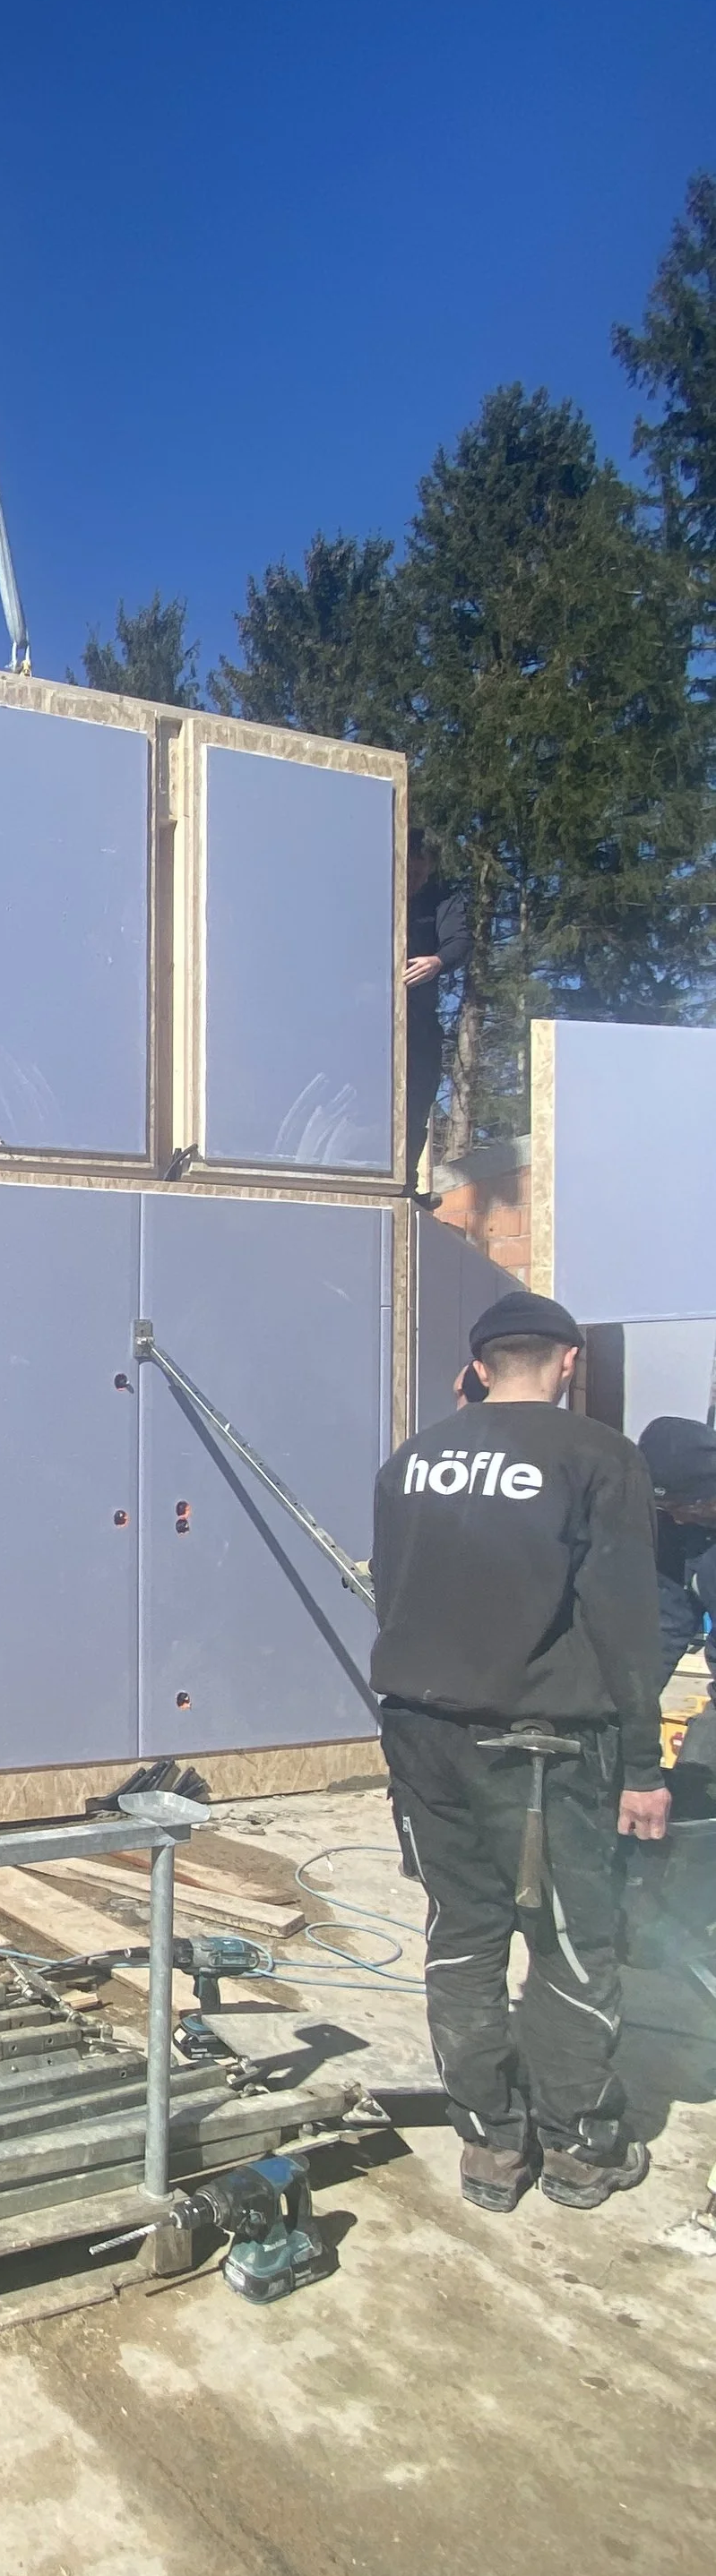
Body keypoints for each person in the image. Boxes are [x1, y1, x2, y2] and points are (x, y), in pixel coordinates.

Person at [371, 1288, 668, 2214]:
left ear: (478, 1365)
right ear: (568, 1361)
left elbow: (394, 1594)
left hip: (420, 1738)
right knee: (571, 1940)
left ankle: (491, 2145)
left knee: (462, 1932)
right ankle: (578, 2147)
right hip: (542, 1751)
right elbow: (625, 1621)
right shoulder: (597, 1457)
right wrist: (643, 1767)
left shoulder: (411, 1462)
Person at [402, 824, 470, 1194]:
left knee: (418, 1099)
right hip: (365, 1018)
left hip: (418, 1021)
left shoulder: (443, 899)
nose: (414, 880)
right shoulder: (373, 891)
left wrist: (437, 961)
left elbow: (460, 941)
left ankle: (407, 1186)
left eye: (420, 873)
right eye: (409, 871)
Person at [638, 1413, 716, 1679]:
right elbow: (668, 1624)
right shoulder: (674, 1529)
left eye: (690, 1506)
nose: (679, 1518)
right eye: (665, 1507)